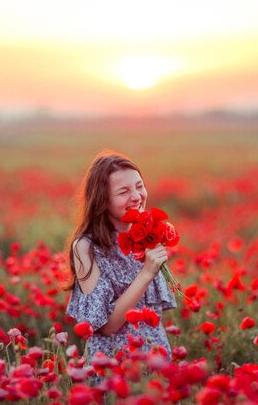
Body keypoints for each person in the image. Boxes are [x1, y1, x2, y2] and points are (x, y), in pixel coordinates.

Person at [65, 150, 176, 361]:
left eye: (139, 186)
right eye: (123, 191)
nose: (136, 196)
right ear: (102, 200)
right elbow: (106, 326)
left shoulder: (146, 235)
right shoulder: (86, 246)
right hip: (115, 365)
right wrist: (147, 273)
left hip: (155, 359)